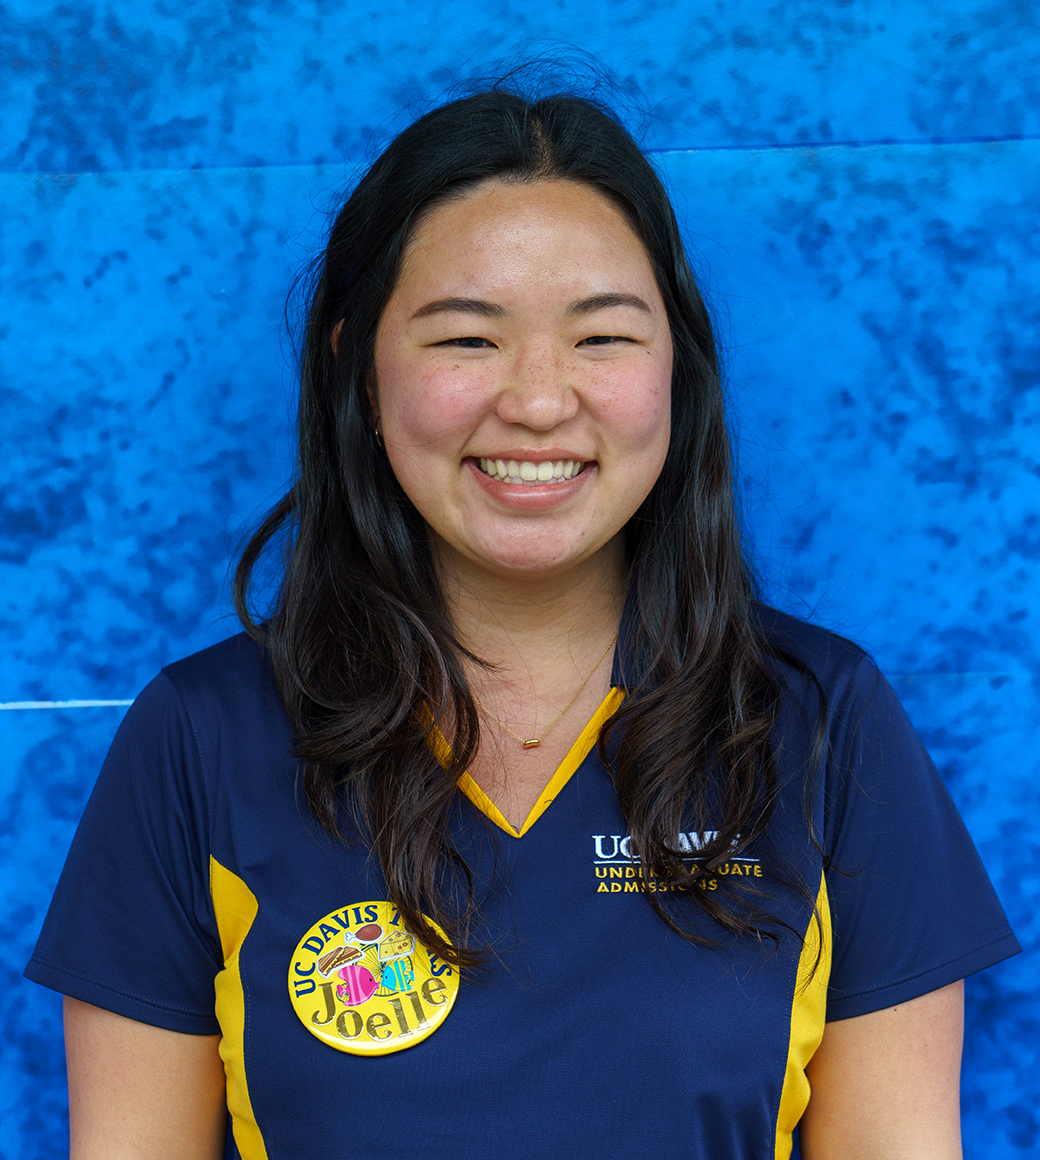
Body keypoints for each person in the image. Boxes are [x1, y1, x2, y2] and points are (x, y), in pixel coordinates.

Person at [26, 86, 1018, 1160]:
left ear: (674, 368)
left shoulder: (822, 722)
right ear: (354, 363)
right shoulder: (200, 738)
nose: (539, 401)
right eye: (466, 338)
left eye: (600, 335)